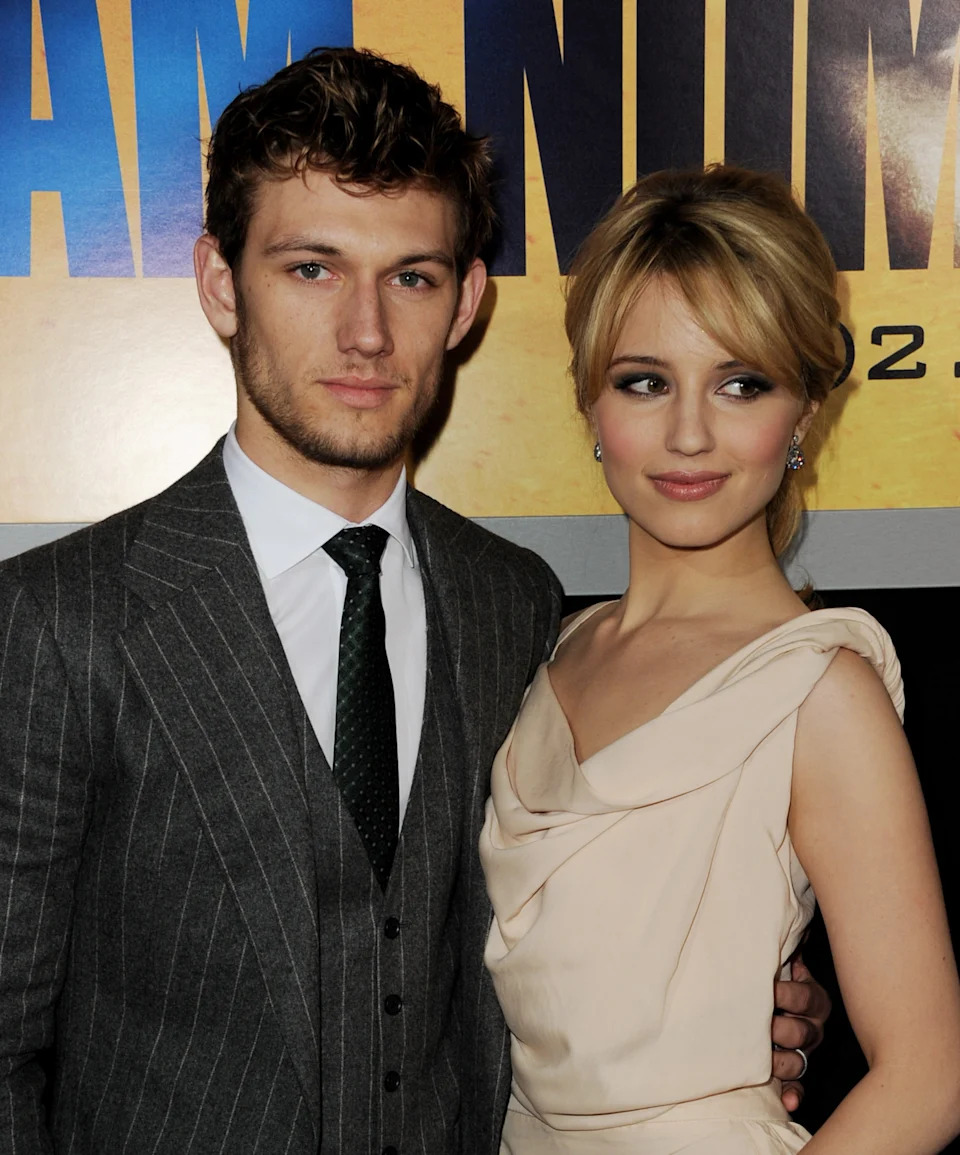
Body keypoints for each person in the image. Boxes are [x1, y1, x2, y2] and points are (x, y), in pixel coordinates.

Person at [0, 51, 825, 1154]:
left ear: (468, 301)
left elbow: (567, 932)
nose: (367, 332)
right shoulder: (61, 620)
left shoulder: (512, 602)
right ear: (220, 284)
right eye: (312, 268)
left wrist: (730, 1003)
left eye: (413, 277)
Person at [480, 165, 960, 1152]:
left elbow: (928, 1079)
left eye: (741, 384)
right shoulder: (548, 653)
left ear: (805, 413)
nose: (690, 433)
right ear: (591, 405)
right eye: (645, 381)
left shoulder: (820, 690)